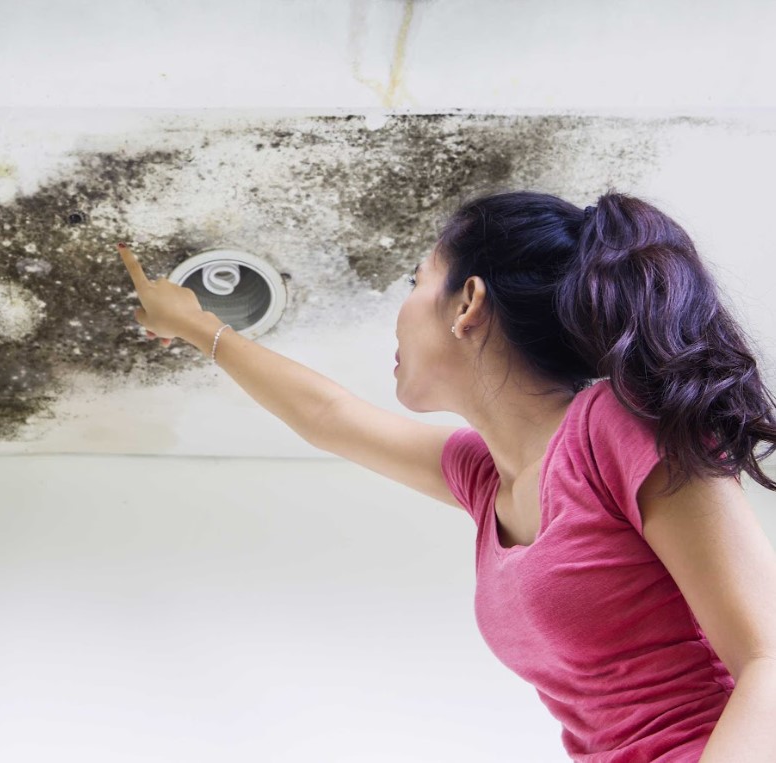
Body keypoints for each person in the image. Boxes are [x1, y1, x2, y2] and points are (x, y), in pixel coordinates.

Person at [117, 190, 776, 762]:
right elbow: (331, 416)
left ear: (468, 303)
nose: (400, 306)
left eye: (415, 280)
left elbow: (768, 662)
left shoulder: (617, 427)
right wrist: (200, 329)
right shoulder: (487, 480)